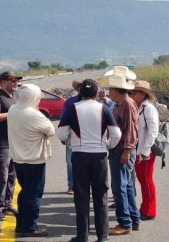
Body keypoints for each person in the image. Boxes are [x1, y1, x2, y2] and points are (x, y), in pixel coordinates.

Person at [58, 79, 121, 242]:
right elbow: (116, 134)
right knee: (101, 197)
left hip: (79, 155)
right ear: (96, 93)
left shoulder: (72, 108)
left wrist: (71, 141)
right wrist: (107, 146)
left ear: (80, 92)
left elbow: (61, 134)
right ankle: (102, 236)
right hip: (99, 156)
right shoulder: (104, 109)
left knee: (81, 196)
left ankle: (82, 235)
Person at [7, 83, 55, 238]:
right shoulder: (34, 115)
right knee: (34, 194)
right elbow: (51, 131)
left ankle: (22, 223)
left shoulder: (13, 109)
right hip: (34, 160)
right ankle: (29, 227)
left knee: (25, 192)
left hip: (18, 159)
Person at [103, 75, 141, 235]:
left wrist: (127, 150)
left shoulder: (127, 104)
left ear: (116, 90)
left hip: (122, 150)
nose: (108, 92)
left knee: (120, 188)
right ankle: (133, 219)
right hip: (120, 150)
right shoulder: (122, 103)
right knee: (126, 186)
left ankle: (125, 223)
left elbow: (131, 130)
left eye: (110, 89)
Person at [0, 71, 22, 221]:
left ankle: (7, 204)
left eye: (17, 81)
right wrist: (12, 114)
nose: (15, 83)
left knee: (11, 177)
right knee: (0, 177)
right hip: (0, 144)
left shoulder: (13, 98)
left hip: (13, 143)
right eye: (12, 80)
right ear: (3, 82)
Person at [130, 80, 159, 220]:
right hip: (139, 150)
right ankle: (145, 208)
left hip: (145, 151)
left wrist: (146, 150)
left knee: (146, 181)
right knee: (143, 180)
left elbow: (153, 131)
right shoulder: (138, 106)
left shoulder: (148, 108)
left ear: (142, 94)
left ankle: (149, 211)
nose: (131, 94)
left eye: (134, 92)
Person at [60, 80, 83, 195]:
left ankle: (86, 185)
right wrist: (63, 137)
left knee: (86, 163)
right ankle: (71, 185)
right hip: (71, 137)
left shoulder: (96, 102)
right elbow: (63, 119)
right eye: (80, 87)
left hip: (88, 138)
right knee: (70, 162)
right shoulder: (70, 102)